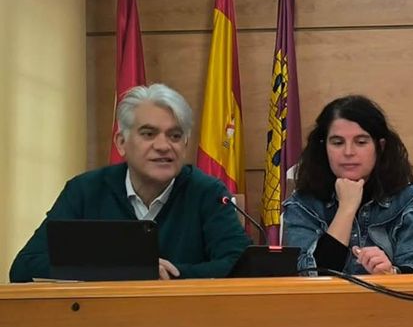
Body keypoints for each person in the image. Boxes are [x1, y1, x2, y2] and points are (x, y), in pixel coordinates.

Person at [9, 84, 250, 282]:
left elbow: (242, 265)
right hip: (102, 321)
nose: (163, 146)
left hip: (184, 321)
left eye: (175, 136)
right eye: (148, 134)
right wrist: (126, 270)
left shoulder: (208, 193)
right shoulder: (85, 191)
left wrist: (169, 276)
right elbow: (25, 267)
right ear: (121, 143)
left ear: (185, 145)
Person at [282, 95, 413, 275]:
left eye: (361, 142)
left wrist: (392, 272)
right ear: (324, 148)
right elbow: (305, 276)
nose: (348, 152)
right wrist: (346, 209)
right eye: (337, 143)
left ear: (380, 146)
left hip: (389, 294)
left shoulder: (409, 200)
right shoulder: (303, 204)